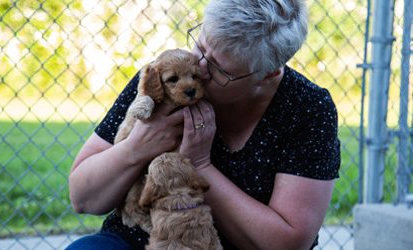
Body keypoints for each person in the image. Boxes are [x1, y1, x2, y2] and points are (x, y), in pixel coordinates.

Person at [67, 0, 341, 249]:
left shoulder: (307, 108)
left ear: (268, 73)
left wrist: (199, 165)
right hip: (143, 238)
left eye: (219, 68)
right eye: (200, 44)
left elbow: (288, 243)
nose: (198, 66)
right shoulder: (164, 77)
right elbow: (83, 197)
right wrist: (137, 146)